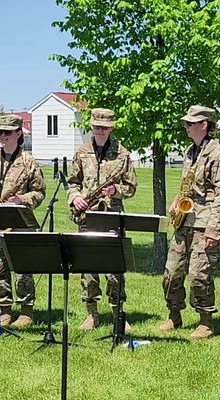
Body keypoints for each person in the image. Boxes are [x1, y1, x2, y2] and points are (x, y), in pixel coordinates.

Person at [159, 105, 220, 340]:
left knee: (199, 275)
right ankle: (174, 315)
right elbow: (188, 186)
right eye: (186, 123)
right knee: (171, 272)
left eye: (190, 123)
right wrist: (176, 201)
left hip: (205, 223)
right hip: (185, 221)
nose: (186, 127)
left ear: (204, 125)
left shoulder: (218, 154)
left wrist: (214, 230)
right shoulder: (191, 152)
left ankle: (205, 321)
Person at [67, 107, 138, 330]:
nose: (100, 130)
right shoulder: (82, 152)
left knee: (114, 268)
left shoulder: (123, 154)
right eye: (97, 126)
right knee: (88, 267)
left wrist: (115, 191)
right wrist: (75, 197)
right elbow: (72, 182)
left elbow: (131, 187)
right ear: (92, 126)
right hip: (87, 215)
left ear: (111, 128)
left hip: (111, 217)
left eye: (104, 127)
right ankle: (91, 314)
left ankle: (118, 314)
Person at [0, 114, 46, 328]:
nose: (2, 136)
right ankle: (4, 310)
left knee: (23, 269)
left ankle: (26, 312)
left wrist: (21, 199)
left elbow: (39, 192)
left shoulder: (28, 161)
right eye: (0, 132)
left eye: (7, 132)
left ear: (18, 134)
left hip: (21, 222)